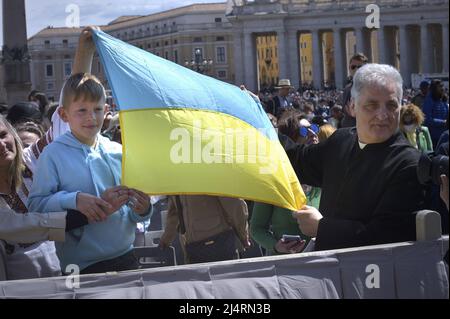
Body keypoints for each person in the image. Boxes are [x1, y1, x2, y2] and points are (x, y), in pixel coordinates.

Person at [284, 64, 425, 251]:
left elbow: (387, 235)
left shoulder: (409, 163)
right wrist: (257, 122)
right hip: (328, 269)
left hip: (372, 275)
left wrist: (321, 227)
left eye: (391, 105)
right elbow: (297, 160)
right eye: (372, 105)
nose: (382, 115)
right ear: (352, 107)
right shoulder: (341, 140)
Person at [27, 71, 152, 275]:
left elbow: (132, 212)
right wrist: (74, 200)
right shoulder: (52, 154)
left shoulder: (118, 151)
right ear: (63, 114)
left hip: (127, 256)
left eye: (97, 109)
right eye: (82, 111)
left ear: (107, 111)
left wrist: (143, 209)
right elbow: (36, 206)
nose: (91, 117)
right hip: (77, 266)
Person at [159, 195, 250, 264]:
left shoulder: (212, 171)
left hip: (219, 243)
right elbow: (174, 212)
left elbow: (234, 204)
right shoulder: (175, 178)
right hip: (193, 247)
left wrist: (243, 234)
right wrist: (166, 240)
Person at [340, 53, 369, 128]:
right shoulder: (347, 89)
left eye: (359, 67)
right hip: (348, 131)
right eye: (353, 67)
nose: (356, 69)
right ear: (349, 68)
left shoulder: (372, 87)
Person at [422, 79, 449, 147]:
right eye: (440, 86)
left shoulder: (443, 99)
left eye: (442, 86)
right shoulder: (429, 100)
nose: (442, 88)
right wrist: (444, 122)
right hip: (434, 137)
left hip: (445, 135)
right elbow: (427, 119)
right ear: (434, 88)